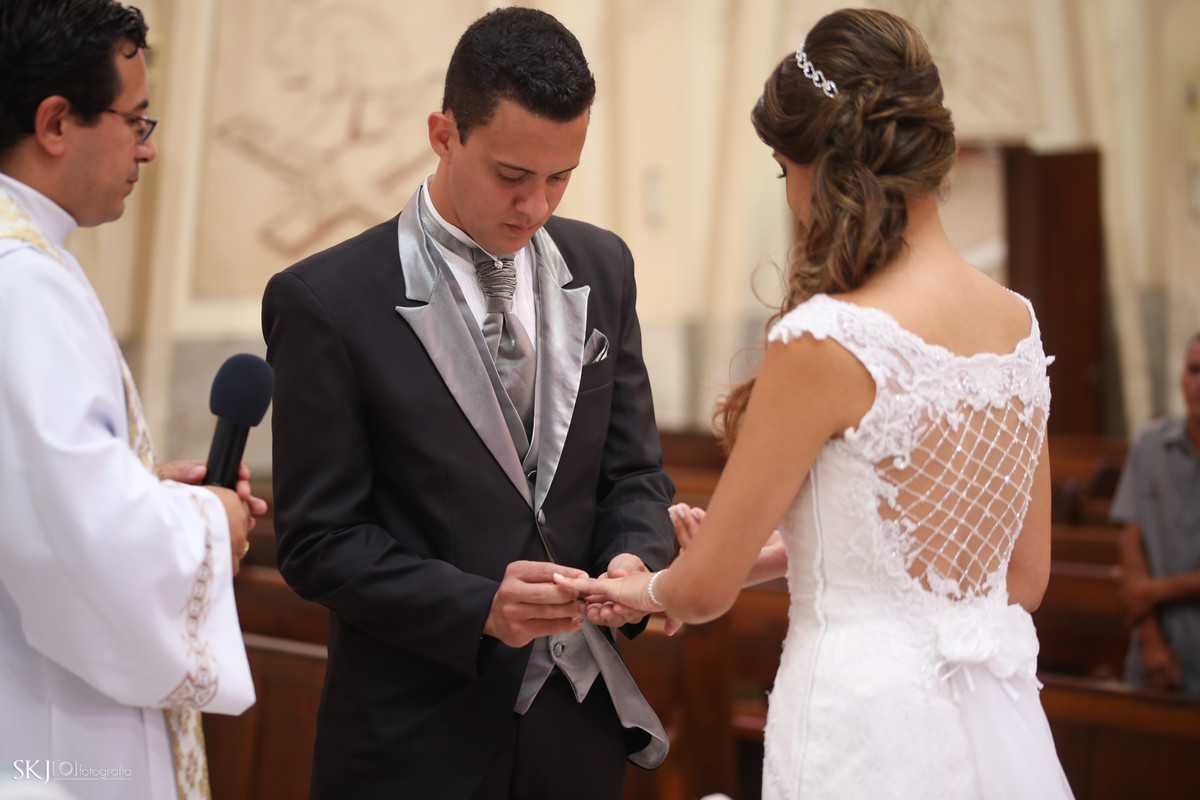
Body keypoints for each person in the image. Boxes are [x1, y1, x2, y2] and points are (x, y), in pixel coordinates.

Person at [556, 9, 1075, 800]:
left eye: (783, 170)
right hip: (988, 725)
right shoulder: (1017, 323)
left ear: (825, 168)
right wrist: (788, 551)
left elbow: (704, 592)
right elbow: (1023, 579)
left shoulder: (830, 338)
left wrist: (639, 589)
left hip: (862, 725)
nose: (793, 197)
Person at [261, 7, 675, 799]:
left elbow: (635, 476)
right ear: (444, 134)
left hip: (578, 726)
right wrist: (479, 607)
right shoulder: (327, 300)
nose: (536, 206)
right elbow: (317, 542)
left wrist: (634, 558)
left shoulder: (604, 267)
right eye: (511, 176)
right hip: (415, 740)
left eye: (560, 177)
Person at [0, 2, 262, 798]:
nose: (148, 148)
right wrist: (212, 522)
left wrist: (144, 491)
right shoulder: (24, 283)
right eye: (135, 121)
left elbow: (35, 495)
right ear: (56, 123)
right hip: (44, 722)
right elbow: (86, 544)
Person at [1112, 332, 1200, 693]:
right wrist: (1151, 643)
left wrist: (1154, 591)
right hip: (1156, 650)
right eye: (1194, 370)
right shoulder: (1150, 444)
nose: (1199, 383)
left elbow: (1140, 590)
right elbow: (1131, 540)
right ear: (1181, 377)